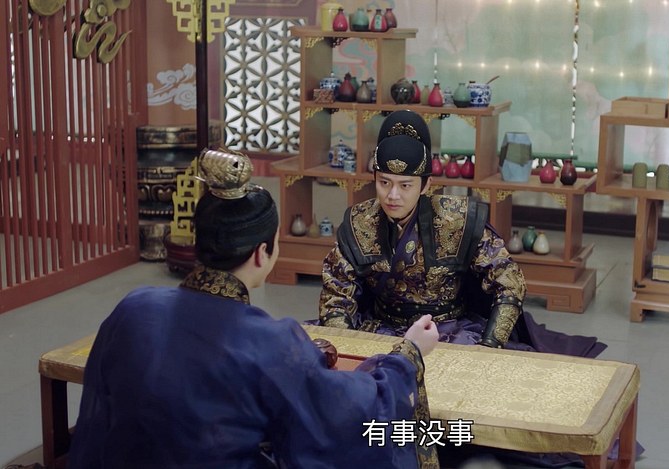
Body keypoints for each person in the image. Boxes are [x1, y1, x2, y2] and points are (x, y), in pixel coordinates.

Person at [68, 149, 441, 469]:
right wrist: (406, 357)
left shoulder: (134, 307)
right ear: (263, 253)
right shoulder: (268, 340)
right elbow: (346, 416)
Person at [318, 110, 605, 357]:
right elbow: (336, 294)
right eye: (384, 183)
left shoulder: (456, 218)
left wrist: (490, 344)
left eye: (405, 185)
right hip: (382, 328)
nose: (393, 195)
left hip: (448, 330)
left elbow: (509, 282)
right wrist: (348, 348)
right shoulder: (359, 222)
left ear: (426, 184)